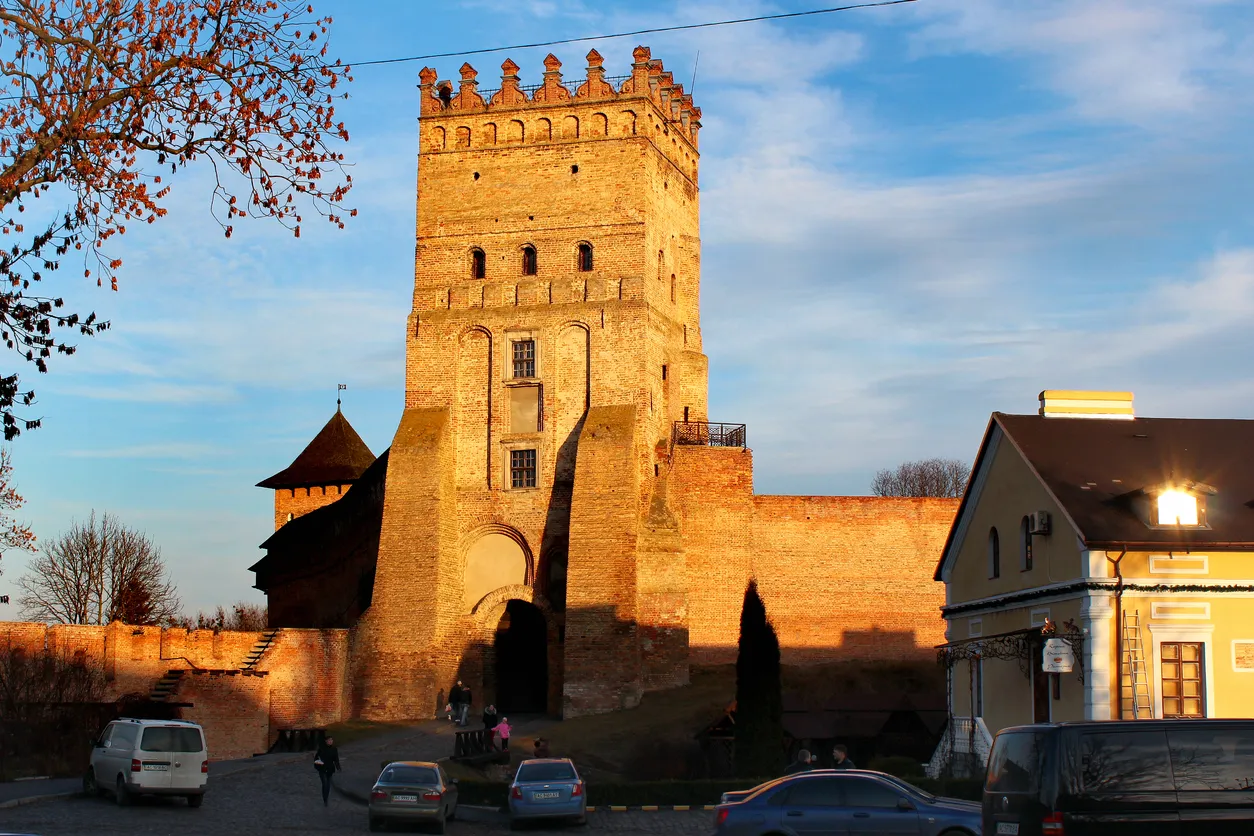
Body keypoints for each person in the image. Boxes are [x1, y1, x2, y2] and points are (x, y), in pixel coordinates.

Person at [313, 734, 341, 806]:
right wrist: (318, 763)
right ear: (326, 741)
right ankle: (325, 799)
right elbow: (316, 758)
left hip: (330, 768)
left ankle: (326, 798)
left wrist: (338, 767)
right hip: (322, 768)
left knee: (328, 784)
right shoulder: (321, 749)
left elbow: (336, 759)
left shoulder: (334, 749)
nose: (330, 741)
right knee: (324, 783)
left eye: (331, 740)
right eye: (329, 740)